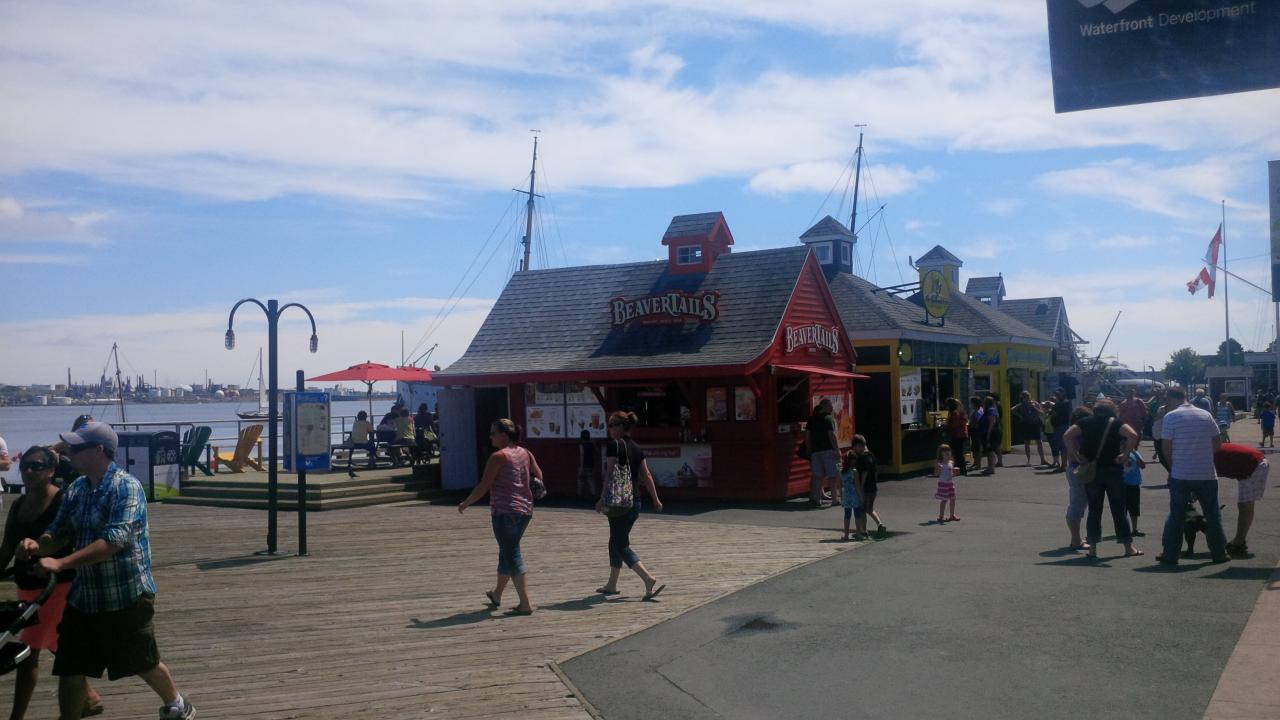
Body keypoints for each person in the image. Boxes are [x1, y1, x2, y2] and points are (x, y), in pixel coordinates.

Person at [16, 423, 195, 720]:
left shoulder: (126, 487)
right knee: (71, 666)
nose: (68, 453)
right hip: (84, 596)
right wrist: (38, 545)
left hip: (125, 594)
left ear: (99, 451)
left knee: (142, 662)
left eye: (75, 448)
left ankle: (177, 703)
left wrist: (61, 563)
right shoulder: (76, 488)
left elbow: (113, 542)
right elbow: (58, 532)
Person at [0, 446, 103, 720]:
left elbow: (71, 540)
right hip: (27, 586)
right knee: (58, 643)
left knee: (28, 651)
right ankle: (89, 697)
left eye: (37, 466)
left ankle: (15, 718)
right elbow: (7, 547)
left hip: (57, 587)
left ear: (51, 471)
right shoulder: (19, 505)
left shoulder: (62, 501)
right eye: (25, 467)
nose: (30, 472)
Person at [458, 418, 543, 616]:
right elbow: (538, 475)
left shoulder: (499, 456)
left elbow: (483, 486)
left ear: (504, 435)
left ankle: (525, 603)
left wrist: (466, 503)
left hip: (505, 512)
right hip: (525, 511)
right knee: (506, 552)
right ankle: (497, 594)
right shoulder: (525, 452)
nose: (490, 437)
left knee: (512, 554)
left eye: (493, 433)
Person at [594, 411, 665, 600]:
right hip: (635, 502)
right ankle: (611, 584)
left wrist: (601, 499)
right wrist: (656, 499)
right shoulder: (637, 448)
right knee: (615, 540)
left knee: (620, 544)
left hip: (618, 502)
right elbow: (647, 475)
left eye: (612, 424)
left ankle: (647, 578)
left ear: (620, 427)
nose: (609, 428)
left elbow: (609, 475)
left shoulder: (613, 446)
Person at [1063, 399, 1142, 559]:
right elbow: (1133, 435)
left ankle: (1092, 549)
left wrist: (1076, 456)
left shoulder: (1084, 422)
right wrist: (1125, 454)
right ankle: (1128, 547)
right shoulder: (1116, 423)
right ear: (1112, 410)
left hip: (1092, 471)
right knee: (1119, 509)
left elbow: (1067, 435)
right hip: (1113, 469)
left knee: (1094, 509)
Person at [1157, 388, 1228, 565]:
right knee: (1212, 514)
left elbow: (1166, 448)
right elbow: (1218, 443)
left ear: (1173, 399)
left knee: (1177, 515)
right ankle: (1219, 553)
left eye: (1167, 400)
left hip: (1181, 473)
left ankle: (1170, 555)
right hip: (1206, 473)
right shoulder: (1205, 415)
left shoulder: (1170, 417)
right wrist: (1203, 455)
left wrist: (1173, 467)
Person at [1216, 442, 1268, 558]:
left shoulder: (1203, 458)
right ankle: (1239, 540)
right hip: (1251, 463)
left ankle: (1239, 543)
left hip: (1254, 466)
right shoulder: (1207, 449)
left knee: (1245, 506)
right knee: (1244, 505)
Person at [1062, 406, 1093, 550]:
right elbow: (1076, 451)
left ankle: (1077, 538)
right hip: (1078, 470)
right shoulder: (1076, 434)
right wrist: (1078, 458)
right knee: (1077, 506)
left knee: (1079, 505)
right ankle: (1075, 540)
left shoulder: (1075, 431)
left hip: (1073, 468)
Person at [805, 399, 840, 507]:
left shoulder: (811, 419)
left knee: (818, 476)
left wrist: (809, 449)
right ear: (824, 406)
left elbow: (807, 436)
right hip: (828, 450)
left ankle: (818, 499)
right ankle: (834, 499)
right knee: (832, 476)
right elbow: (831, 435)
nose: (832, 408)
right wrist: (837, 449)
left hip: (815, 452)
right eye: (830, 406)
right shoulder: (828, 419)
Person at [850, 435, 885, 538]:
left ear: (858, 445)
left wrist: (861, 485)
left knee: (862, 509)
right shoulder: (872, 455)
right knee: (869, 508)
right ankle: (880, 524)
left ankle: (863, 530)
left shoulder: (862, 457)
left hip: (865, 488)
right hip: (873, 487)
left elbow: (864, 472)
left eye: (855, 447)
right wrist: (875, 482)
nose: (855, 450)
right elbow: (875, 471)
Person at [1013, 391, 1048, 467]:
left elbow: (1042, 413)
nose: (1024, 399)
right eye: (1023, 397)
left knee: (1039, 442)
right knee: (1026, 442)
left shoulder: (1035, 403)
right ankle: (1028, 460)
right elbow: (1012, 410)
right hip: (1026, 425)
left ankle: (1042, 459)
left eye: (1025, 397)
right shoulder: (1021, 405)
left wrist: (1034, 408)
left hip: (1035, 424)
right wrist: (1020, 416)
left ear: (1028, 397)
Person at [838, 448, 861, 541]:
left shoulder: (841, 471)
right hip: (854, 495)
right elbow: (857, 485)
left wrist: (841, 495)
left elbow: (839, 485)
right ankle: (858, 533)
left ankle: (846, 535)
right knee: (857, 514)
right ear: (853, 461)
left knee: (847, 515)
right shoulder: (854, 471)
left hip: (846, 495)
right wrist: (861, 496)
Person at [1123, 448, 1146, 537]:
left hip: (1134, 485)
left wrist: (1134, 453)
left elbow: (1143, 466)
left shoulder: (1135, 453)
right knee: (1122, 509)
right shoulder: (1116, 452)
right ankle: (1123, 529)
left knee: (1134, 508)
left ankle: (1135, 529)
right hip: (1121, 485)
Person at [944, 398, 969, 476]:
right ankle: (959, 469)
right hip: (960, 434)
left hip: (958, 435)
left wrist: (946, 425)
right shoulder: (958, 412)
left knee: (957, 452)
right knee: (957, 452)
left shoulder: (955, 413)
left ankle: (961, 470)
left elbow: (955, 424)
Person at [1049, 388, 1072, 473]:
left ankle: (1064, 466)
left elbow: (1059, 413)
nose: (1057, 395)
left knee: (1063, 447)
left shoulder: (1065, 402)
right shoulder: (1059, 403)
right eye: (1056, 394)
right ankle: (1063, 465)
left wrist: (1052, 409)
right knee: (1059, 446)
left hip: (1062, 426)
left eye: (1058, 394)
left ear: (1063, 393)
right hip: (1058, 427)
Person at [934, 444, 958, 523]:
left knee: (953, 499)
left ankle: (952, 515)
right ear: (941, 454)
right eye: (945, 453)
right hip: (943, 484)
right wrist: (938, 469)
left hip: (950, 484)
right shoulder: (940, 463)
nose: (948, 454)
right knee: (944, 500)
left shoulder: (951, 462)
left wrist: (954, 473)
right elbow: (936, 474)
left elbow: (951, 474)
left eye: (949, 452)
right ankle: (941, 516)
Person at [981, 396, 1001, 474]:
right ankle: (990, 467)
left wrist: (988, 434)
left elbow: (992, 422)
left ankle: (991, 468)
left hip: (991, 433)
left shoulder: (991, 410)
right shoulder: (990, 410)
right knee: (989, 451)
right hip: (989, 432)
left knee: (990, 451)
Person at [576, 429, 597, 498]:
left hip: (584, 463)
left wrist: (581, 467)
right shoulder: (592, 443)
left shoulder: (581, 444)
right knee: (591, 479)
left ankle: (580, 494)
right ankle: (593, 494)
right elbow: (596, 451)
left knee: (580, 479)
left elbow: (582, 454)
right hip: (591, 463)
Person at [967, 396, 986, 474]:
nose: (970, 404)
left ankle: (978, 464)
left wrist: (971, 425)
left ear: (974, 403)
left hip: (976, 432)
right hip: (974, 431)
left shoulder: (978, 412)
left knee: (977, 448)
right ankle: (975, 463)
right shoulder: (978, 410)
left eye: (971, 403)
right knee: (975, 448)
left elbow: (979, 422)